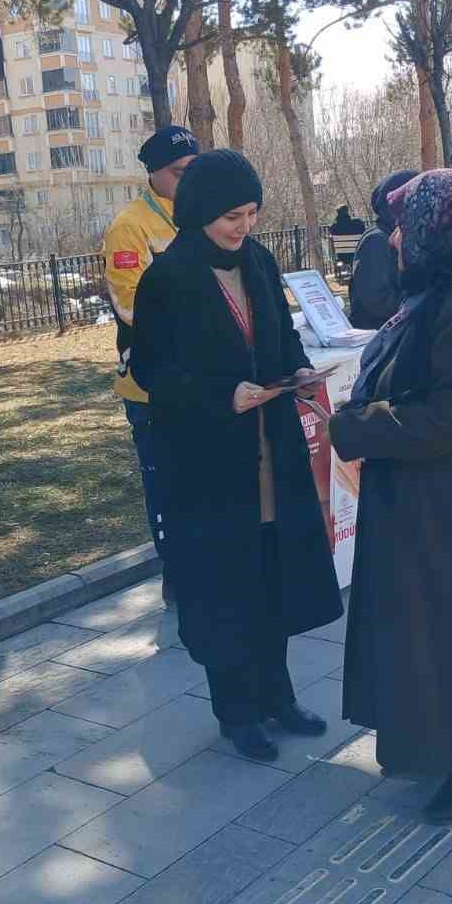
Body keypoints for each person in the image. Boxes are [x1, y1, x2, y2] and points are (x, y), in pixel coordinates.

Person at [322, 169, 452, 824]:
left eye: (403, 226)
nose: (394, 239)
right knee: (432, 632)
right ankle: (435, 748)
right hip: (441, 498)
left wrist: (356, 428)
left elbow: (450, 417)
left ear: (433, 228)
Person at [131, 149, 343, 762]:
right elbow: (151, 371)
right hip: (209, 465)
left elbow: (281, 334)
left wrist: (296, 372)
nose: (242, 225)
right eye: (231, 215)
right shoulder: (169, 277)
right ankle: (237, 711)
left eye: (251, 212)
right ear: (200, 211)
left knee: (271, 577)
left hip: (271, 454)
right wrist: (222, 395)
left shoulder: (259, 260)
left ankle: (278, 696)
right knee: (227, 590)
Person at [104, 125, 201, 603]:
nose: (189, 179)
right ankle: (178, 578)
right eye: (180, 172)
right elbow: (133, 308)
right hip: (153, 387)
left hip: (201, 382)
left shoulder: (198, 216)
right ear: (154, 174)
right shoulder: (132, 226)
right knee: (166, 485)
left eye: (193, 170)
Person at [348, 169, 416, 329]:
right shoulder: (376, 240)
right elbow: (377, 301)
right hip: (375, 334)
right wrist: (420, 304)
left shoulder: (403, 236)